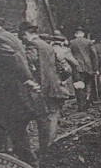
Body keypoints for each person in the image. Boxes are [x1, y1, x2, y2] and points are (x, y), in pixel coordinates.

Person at [0, 13, 38, 165]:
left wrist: (26, 79)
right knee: (6, 132)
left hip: (7, 97)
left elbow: (14, 59)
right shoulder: (11, 37)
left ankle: (29, 165)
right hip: (12, 96)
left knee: (13, 133)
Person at [23, 23, 70, 157]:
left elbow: (29, 65)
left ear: (26, 33)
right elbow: (62, 67)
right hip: (54, 87)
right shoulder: (48, 46)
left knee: (41, 118)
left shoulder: (32, 46)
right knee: (52, 116)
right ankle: (49, 147)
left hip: (41, 88)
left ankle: (43, 150)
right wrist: (60, 80)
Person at [69, 27, 97, 110]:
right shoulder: (88, 42)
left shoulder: (71, 42)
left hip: (77, 67)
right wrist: (95, 68)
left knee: (79, 85)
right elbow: (94, 55)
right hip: (88, 67)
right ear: (83, 34)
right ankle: (88, 100)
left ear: (75, 34)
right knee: (88, 84)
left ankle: (81, 104)